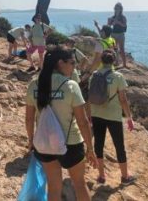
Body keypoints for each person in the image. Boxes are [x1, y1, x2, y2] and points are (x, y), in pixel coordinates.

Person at [26, 45, 97, 201]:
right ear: (60, 63)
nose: (74, 67)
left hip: (45, 144)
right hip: (71, 143)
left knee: (53, 187)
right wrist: (90, 148)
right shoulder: (70, 86)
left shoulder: (34, 84)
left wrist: (31, 140)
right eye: (72, 63)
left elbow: (29, 118)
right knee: (79, 184)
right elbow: (83, 122)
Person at [87, 49, 135, 185]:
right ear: (113, 61)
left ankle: (101, 176)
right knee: (119, 146)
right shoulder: (118, 76)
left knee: (99, 144)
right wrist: (129, 118)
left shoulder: (94, 75)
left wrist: (89, 114)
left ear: (101, 61)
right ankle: (125, 177)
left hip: (97, 114)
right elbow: (123, 99)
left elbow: (90, 96)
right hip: (113, 115)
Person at [108, 3, 128, 68]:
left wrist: (118, 22)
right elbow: (108, 26)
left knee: (122, 49)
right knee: (114, 49)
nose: (117, 9)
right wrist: (110, 22)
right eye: (116, 8)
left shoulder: (123, 17)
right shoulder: (112, 17)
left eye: (118, 8)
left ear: (121, 9)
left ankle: (124, 64)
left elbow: (125, 25)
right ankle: (116, 62)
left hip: (121, 34)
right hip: (113, 34)